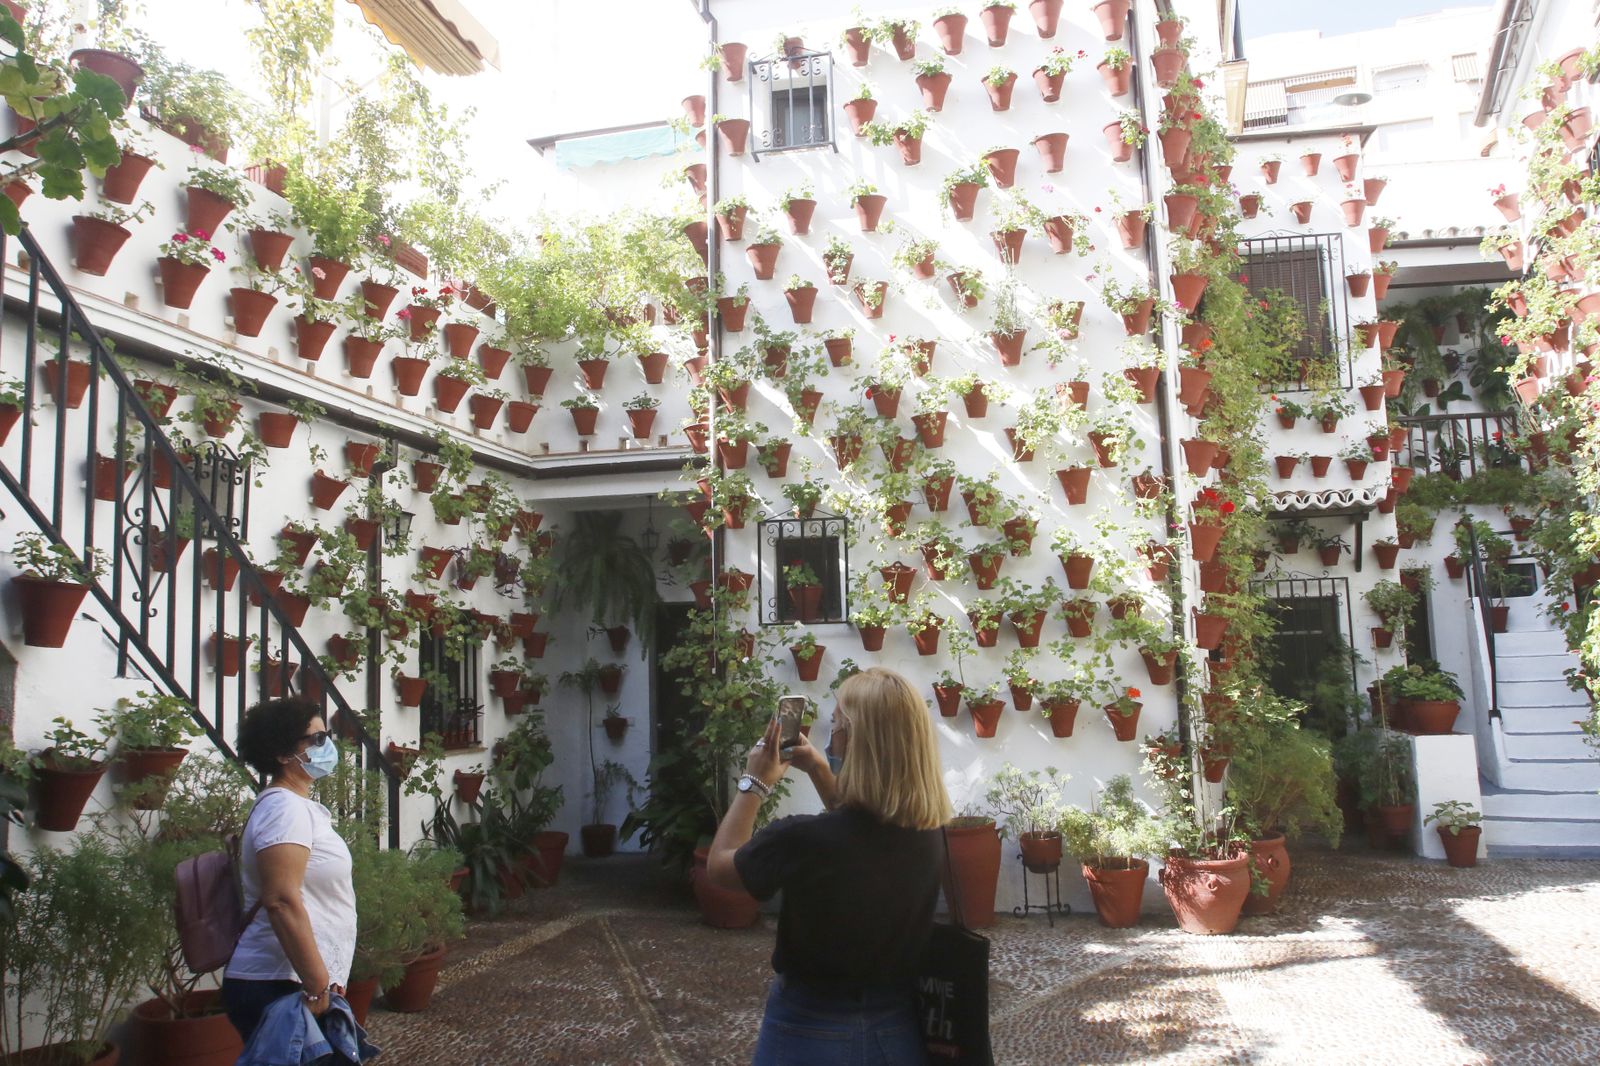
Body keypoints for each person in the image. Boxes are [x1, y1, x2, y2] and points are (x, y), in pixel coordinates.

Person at [707, 667, 953, 1065]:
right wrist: (819, 768)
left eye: (835, 723)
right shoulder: (928, 833)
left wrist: (754, 783)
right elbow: (859, 827)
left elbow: (720, 868)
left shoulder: (803, 838)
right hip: (898, 1031)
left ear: (854, 739)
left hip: (807, 1029)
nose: (829, 733)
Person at [223, 697, 357, 1044]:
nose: (328, 746)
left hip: (295, 983)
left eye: (327, 736)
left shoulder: (295, 805)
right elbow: (281, 899)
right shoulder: (284, 809)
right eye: (317, 739)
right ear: (283, 754)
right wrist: (317, 984)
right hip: (279, 985)